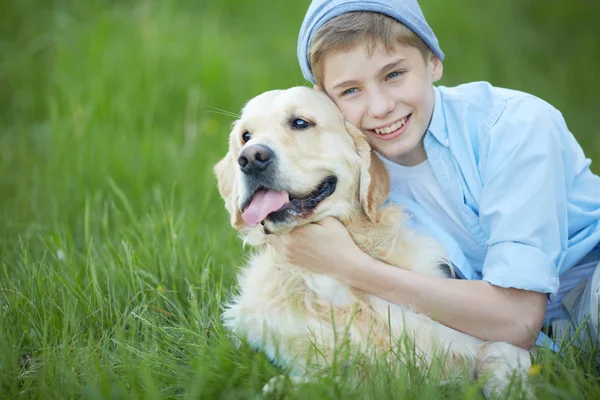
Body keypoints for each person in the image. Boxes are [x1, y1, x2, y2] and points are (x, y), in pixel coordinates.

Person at [268, 0, 600, 353]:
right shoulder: (345, 176)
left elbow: (517, 319)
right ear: (326, 101)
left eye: (394, 75)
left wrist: (352, 266)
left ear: (433, 62)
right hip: (505, 334)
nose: (380, 107)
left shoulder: (513, 126)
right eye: (351, 90)